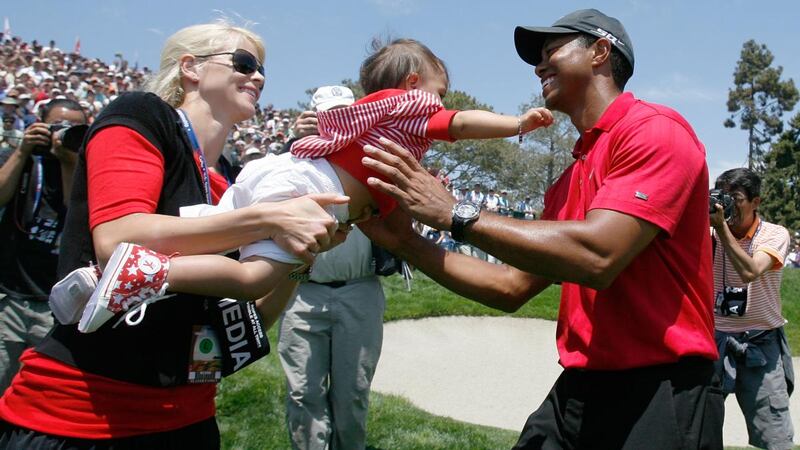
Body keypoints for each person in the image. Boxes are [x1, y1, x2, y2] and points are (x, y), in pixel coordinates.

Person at [358, 8, 723, 449]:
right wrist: (406, 241)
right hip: (580, 388)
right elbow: (510, 286)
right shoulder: (569, 179)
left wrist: (455, 212)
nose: (538, 65)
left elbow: (598, 257)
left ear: (600, 52)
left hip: (664, 391)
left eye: (552, 51)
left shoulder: (655, 131)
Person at [56, 37, 554, 334]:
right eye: (439, 90)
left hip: (277, 175)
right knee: (252, 279)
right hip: (302, 188)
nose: (442, 103)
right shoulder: (414, 108)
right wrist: (516, 123)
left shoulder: (371, 118)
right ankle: (146, 272)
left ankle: (118, 279)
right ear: (412, 83)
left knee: (215, 246)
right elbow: (462, 123)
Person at [0, 22, 341, 448]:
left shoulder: (227, 187)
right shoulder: (141, 115)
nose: (259, 77)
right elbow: (118, 239)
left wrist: (299, 259)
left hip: (188, 417)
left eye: (262, 69)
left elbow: (249, 317)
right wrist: (269, 220)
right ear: (190, 68)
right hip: (83, 419)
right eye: (245, 62)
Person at [277, 85, 386, 450]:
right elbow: (265, 196)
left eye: (342, 113)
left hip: (360, 289)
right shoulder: (292, 162)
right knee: (302, 392)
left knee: (352, 393)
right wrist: (292, 145)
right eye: (326, 115)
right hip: (303, 289)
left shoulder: (374, 156)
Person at [0, 98, 87, 394]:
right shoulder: (25, 160)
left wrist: (68, 160)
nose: (66, 133)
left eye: (76, 128)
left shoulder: (84, 170)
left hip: (54, 305)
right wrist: (23, 149)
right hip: (9, 298)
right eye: (60, 126)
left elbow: (74, 214)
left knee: (36, 394)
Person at [710, 168, 794, 450]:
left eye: (735, 198)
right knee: (696, 429)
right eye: (722, 197)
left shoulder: (774, 234)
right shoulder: (707, 233)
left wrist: (721, 228)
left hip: (761, 341)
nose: (728, 206)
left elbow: (750, 271)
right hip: (713, 339)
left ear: (756, 202)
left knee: (775, 437)